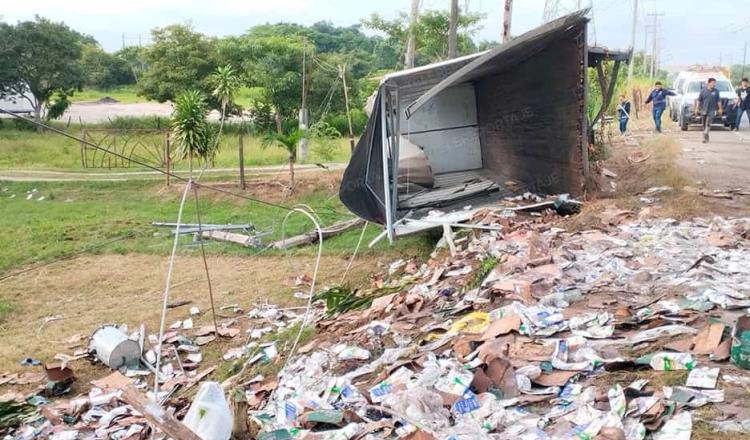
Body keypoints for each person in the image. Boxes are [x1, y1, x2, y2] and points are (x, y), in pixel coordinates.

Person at [695, 78, 722, 143]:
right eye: (713, 83)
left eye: (715, 83)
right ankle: (706, 135)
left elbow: (718, 101)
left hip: (712, 110)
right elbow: (699, 100)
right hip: (703, 109)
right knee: (704, 124)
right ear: (709, 83)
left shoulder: (716, 91)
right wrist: (697, 108)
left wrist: (720, 108)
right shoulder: (703, 91)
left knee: (708, 123)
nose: (714, 84)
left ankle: (704, 136)